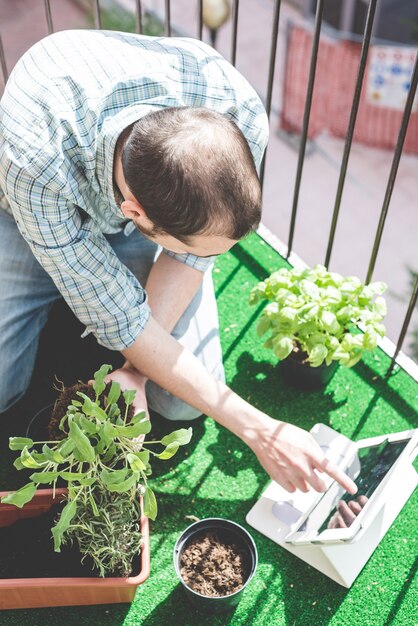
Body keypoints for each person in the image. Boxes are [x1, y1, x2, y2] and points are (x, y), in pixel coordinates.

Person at [0, 29, 356, 496]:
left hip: (134, 203)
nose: (201, 260)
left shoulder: (238, 112)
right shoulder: (35, 162)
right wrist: (260, 430)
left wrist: (136, 369)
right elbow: (120, 316)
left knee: (182, 402)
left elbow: (177, 268)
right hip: (30, 218)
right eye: (196, 249)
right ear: (136, 214)